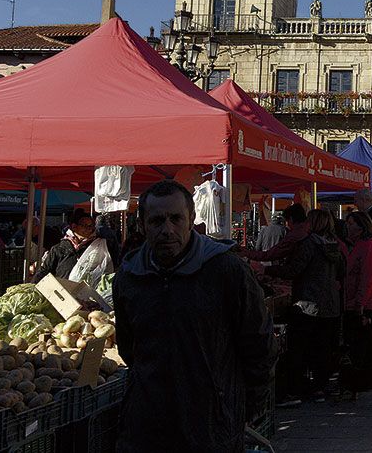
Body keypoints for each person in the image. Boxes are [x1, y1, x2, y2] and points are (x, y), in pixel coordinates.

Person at [114, 180, 275, 453]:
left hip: (211, 424)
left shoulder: (226, 270)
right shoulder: (129, 277)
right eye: (157, 221)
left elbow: (258, 343)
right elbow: (129, 347)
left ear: (191, 220)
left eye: (176, 219)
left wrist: (242, 407)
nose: (167, 230)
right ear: (142, 225)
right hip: (147, 425)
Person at [265, 209, 345, 403]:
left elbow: (294, 269)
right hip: (330, 305)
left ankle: (295, 390)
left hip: (307, 303)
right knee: (322, 348)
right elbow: (342, 273)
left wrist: (268, 270)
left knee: (298, 348)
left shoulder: (309, 244)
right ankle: (319, 388)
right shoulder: (336, 245)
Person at [341, 211, 372, 403]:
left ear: (362, 227)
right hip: (354, 302)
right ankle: (356, 388)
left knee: (363, 350)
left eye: (352, 224)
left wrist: (360, 304)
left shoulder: (368, 246)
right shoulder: (361, 245)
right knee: (359, 349)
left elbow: (367, 278)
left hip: (360, 306)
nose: (348, 227)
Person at [32, 214, 112, 284]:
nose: (88, 229)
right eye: (84, 225)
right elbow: (45, 270)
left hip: (87, 296)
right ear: (74, 227)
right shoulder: (59, 248)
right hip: (63, 293)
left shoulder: (96, 247)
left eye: (90, 226)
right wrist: (34, 285)